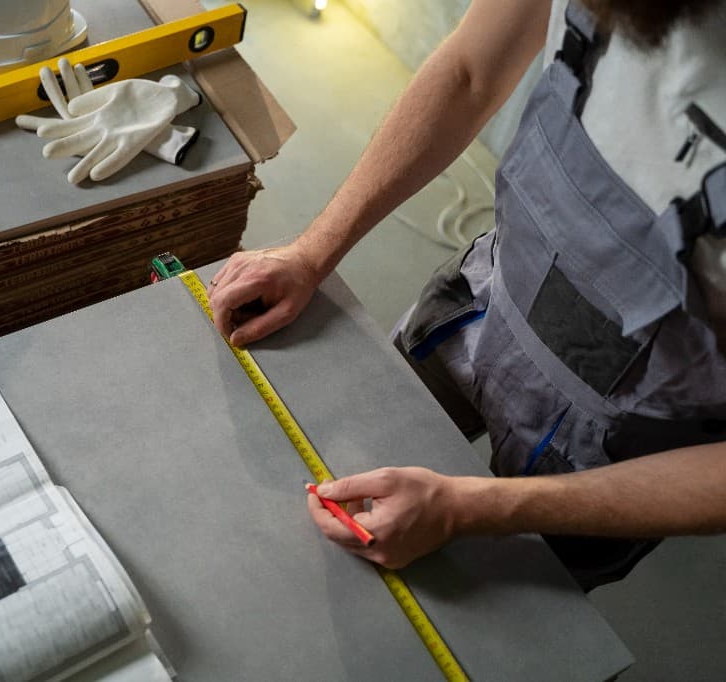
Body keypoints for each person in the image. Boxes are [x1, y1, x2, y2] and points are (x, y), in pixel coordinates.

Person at [206, 0, 726, 590]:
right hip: (479, 307)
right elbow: (469, 72)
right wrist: (311, 251)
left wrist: (468, 508)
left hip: (619, 448)